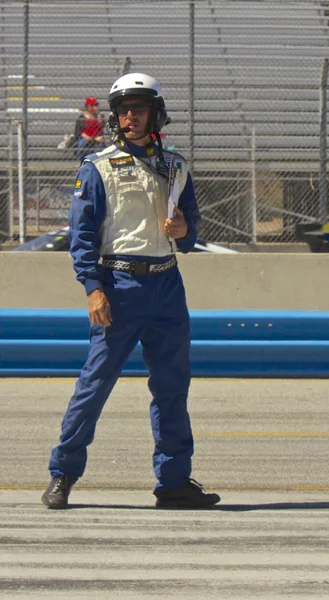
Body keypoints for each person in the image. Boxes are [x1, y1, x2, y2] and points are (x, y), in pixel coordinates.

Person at [42, 72, 221, 510]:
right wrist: (92, 288)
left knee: (173, 386)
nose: (129, 116)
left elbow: (191, 231)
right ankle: (62, 474)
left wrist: (184, 231)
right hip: (118, 285)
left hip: (167, 285)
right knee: (95, 382)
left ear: (155, 114)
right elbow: (82, 236)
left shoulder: (176, 166)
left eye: (138, 109)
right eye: (122, 109)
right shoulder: (97, 166)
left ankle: (174, 482)